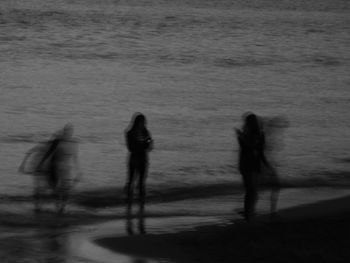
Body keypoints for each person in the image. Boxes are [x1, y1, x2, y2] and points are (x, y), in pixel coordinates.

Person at [38, 124, 82, 214]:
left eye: (70, 132)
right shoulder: (57, 142)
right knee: (56, 189)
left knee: (66, 189)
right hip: (55, 167)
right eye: (66, 131)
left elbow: (75, 157)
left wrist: (78, 171)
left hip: (67, 168)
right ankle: (58, 207)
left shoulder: (74, 143)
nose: (68, 133)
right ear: (63, 132)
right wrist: (41, 164)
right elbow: (48, 154)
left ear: (72, 133)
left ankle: (62, 208)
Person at [18, 131, 61, 212]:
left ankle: (44, 207)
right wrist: (22, 166)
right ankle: (39, 207)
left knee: (46, 188)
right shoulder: (44, 146)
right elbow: (30, 151)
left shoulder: (54, 149)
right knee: (41, 189)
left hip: (44, 169)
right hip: (37, 168)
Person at [236, 112, 267, 222]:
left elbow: (256, 149)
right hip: (247, 163)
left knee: (251, 190)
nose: (248, 123)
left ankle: (248, 212)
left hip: (250, 163)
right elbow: (251, 149)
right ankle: (248, 211)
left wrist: (241, 137)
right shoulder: (251, 133)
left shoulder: (255, 134)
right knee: (251, 190)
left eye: (248, 121)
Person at [125, 113, 153, 206]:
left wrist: (148, 143)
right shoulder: (130, 133)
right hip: (134, 158)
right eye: (141, 122)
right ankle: (129, 201)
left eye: (143, 122)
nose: (143, 124)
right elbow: (130, 148)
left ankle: (141, 203)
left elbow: (149, 148)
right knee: (131, 181)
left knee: (141, 182)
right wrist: (144, 144)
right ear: (137, 122)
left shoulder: (146, 132)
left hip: (143, 158)